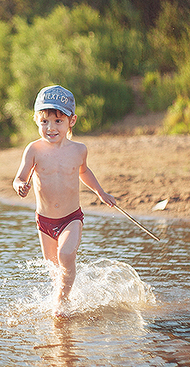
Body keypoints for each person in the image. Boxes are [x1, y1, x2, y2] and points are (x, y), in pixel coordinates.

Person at [13, 85, 117, 316]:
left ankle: (60, 306)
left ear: (72, 121)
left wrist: (101, 192)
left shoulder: (79, 150)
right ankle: (65, 301)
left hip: (71, 218)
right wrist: (20, 185)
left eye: (58, 121)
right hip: (44, 221)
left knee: (66, 255)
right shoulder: (34, 150)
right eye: (44, 122)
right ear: (36, 121)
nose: (51, 128)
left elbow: (84, 172)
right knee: (54, 270)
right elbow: (19, 177)